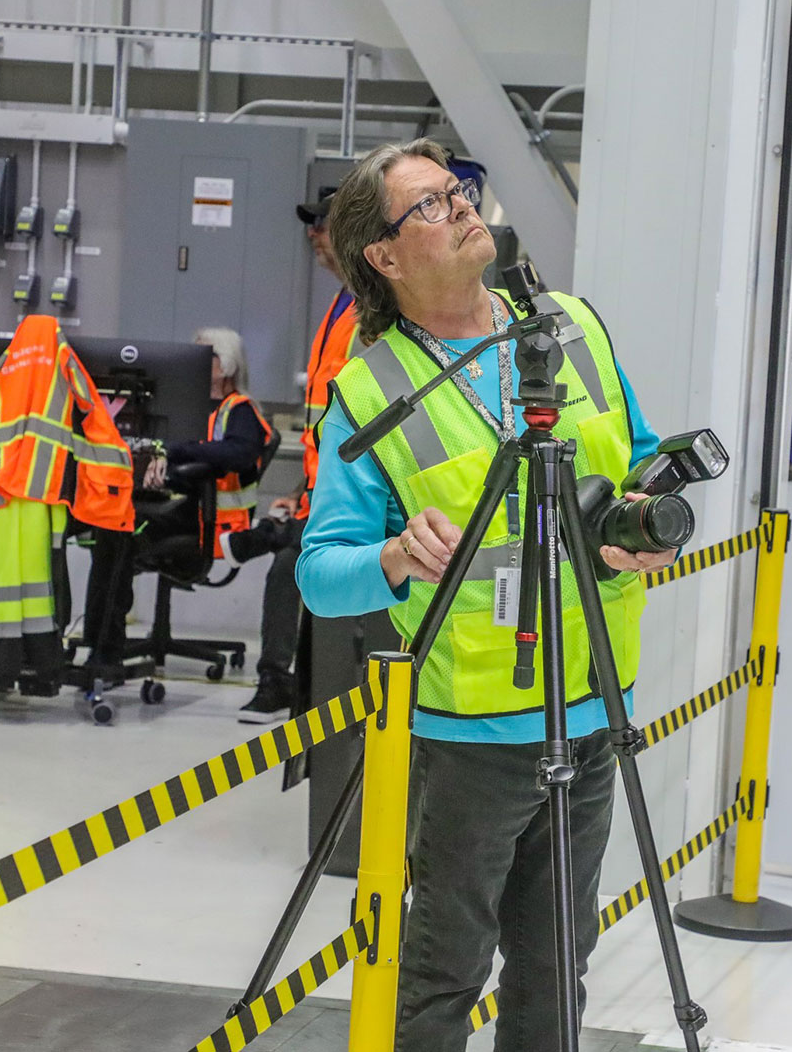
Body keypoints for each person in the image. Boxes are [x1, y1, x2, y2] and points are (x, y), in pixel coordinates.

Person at [296, 138, 675, 1051]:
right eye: (429, 205)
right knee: (443, 969)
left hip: (590, 705)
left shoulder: (570, 328)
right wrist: (392, 553)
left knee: (557, 960)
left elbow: (646, 458)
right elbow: (320, 574)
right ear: (381, 258)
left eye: (458, 191)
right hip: (470, 737)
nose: (464, 207)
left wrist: (641, 525)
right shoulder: (370, 389)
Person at [225, 194, 362, 724]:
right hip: (323, 487)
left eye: (323, 224)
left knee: (289, 568)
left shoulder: (369, 308)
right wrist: (305, 492)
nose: (313, 233)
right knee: (289, 567)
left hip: (349, 490)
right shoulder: (340, 304)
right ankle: (285, 683)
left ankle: (282, 682)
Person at [83, 327, 273, 661]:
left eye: (204, 358)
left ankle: (105, 652)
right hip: (172, 513)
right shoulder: (183, 410)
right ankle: (98, 642)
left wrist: (179, 452)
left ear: (226, 365)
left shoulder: (240, 411)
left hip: (208, 528)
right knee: (109, 526)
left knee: (117, 536)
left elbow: (239, 454)